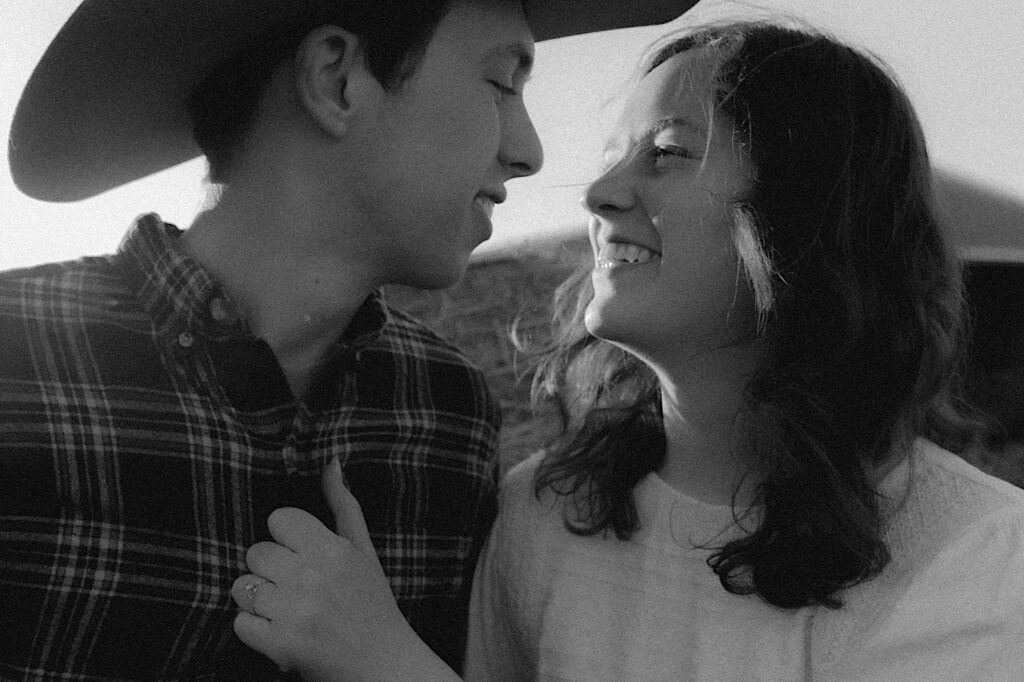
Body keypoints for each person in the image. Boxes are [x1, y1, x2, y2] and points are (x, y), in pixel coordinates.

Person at [229, 19, 1024, 681]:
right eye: (616, 153)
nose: (599, 192)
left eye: (668, 151)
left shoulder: (977, 555)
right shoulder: (544, 511)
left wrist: (386, 662)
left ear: (806, 215)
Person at [0, 1, 699, 678]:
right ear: (336, 79)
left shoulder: (446, 415)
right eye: (501, 81)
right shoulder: (16, 364)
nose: (529, 152)